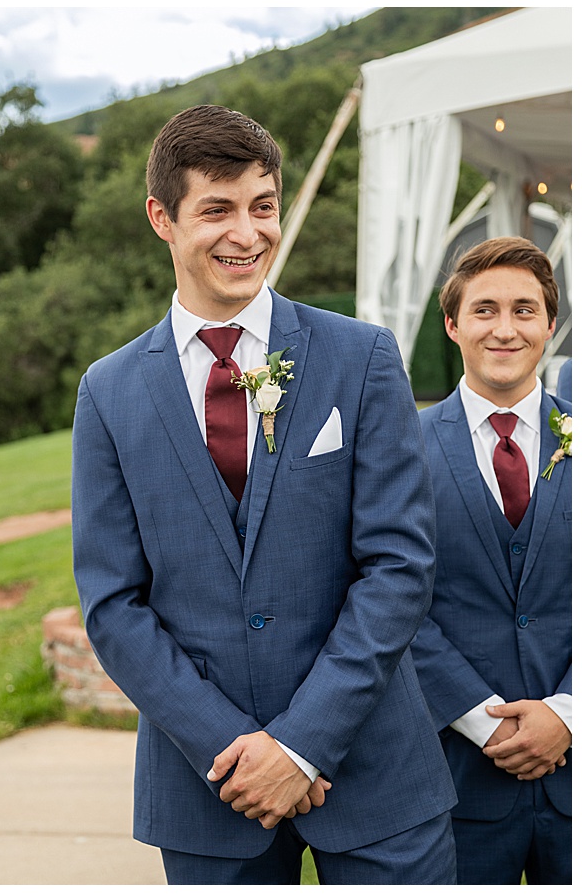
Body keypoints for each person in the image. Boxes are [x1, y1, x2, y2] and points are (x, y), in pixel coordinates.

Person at [70, 105, 457, 884]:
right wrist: (239, 751)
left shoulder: (363, 358)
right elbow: (113, 603)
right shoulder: (108, 392)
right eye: (217, 209)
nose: (248, 234)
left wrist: (302, 742)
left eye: (263, 206)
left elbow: (400, 566)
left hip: (378, 773)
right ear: (162, 218)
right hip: (210, 789)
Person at [410, 236, 571, 884]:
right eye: (484, 310)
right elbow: (389, 598)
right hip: (457, 783)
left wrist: (567, 713)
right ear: (453, 326)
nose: (505, 329)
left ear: (550, 326)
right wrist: (483, 722)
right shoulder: (400, 449)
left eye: (525, 310)